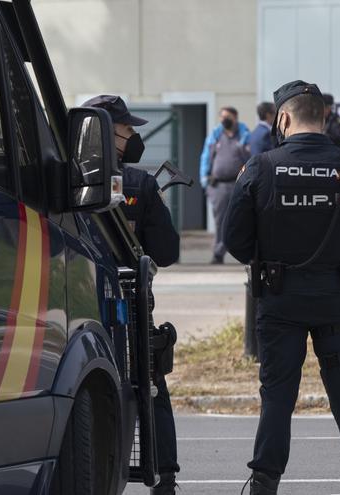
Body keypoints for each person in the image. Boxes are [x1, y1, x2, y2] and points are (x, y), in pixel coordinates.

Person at [223, 81, 340, 495]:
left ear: (283, 118)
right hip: (337, 300)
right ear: (324, 117)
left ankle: (264, 484)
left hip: (279, 301)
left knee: (277, 396)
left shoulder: (261, 167)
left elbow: (236, 241)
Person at [83, 95, 181, 494]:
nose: (134, 136)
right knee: (151, 387)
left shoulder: (62, 178)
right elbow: (168, 253)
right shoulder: (139, 183)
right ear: (110, 134)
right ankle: (165, 480)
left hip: (76, 306)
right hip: (130, 309)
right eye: (127, 129)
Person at [199, 106, 250, 264]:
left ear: (235, 118)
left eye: (227, 117)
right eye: (222, 117)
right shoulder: (215, 136)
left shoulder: (244, 136)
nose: (224, 120)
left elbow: (251, 157)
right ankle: (218, 253)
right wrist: (205, 180)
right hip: (218, 186)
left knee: (243, 220)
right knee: (220, 220)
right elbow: (205, 158)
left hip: (239, 185)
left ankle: (245, 254)